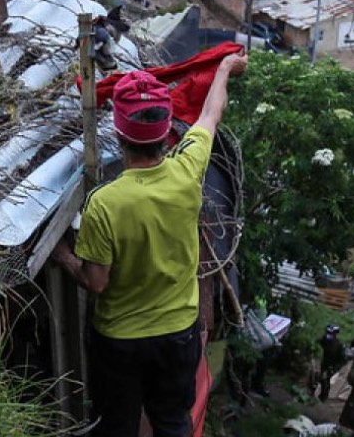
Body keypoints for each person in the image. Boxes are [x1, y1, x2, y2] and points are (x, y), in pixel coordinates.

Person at [51, 52, 248, 437]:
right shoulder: (188, 171)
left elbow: (96, 282)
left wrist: (61, 256)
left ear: (120, 134)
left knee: (117, 427)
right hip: (178, 335)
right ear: (164, 132)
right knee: (174, 422)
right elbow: (211, 114)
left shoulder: (104, 204)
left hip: (120, 343)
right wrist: (223, 69)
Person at [318, 324, 347, 402]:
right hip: (325, 361)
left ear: (335, 335)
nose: (328, 335)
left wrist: (335, 368)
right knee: (322, 377)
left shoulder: (339, 346)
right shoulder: (324, 339)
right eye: (327, 333)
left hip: (333, 364)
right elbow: (318, 343)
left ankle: (323, 397)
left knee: (325, 379)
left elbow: (342, 359)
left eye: (330, 334)